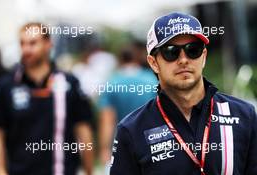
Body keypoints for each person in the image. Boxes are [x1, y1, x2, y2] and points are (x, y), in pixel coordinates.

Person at [110, 12, 257, 175]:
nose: (183, 59)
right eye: (171, 52)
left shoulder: (244, 116)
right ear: (153, 63)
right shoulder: (131, 130)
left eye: (192, 50)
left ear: (204, 56)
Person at [0, 22, 94, 175]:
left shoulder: (69, 83)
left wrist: (89, 170)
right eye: (22, 43)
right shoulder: (6, 86)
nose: (26, 49)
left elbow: (83, 129)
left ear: (48, 44)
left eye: (33, 43)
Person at [97, 46, 157, 166]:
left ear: (120, 60)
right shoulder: (151, 80)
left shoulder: (112, 83)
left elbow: (107, 119)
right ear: (137, 59)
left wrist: (104, 149)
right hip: (152, 143)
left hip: (122, 145)